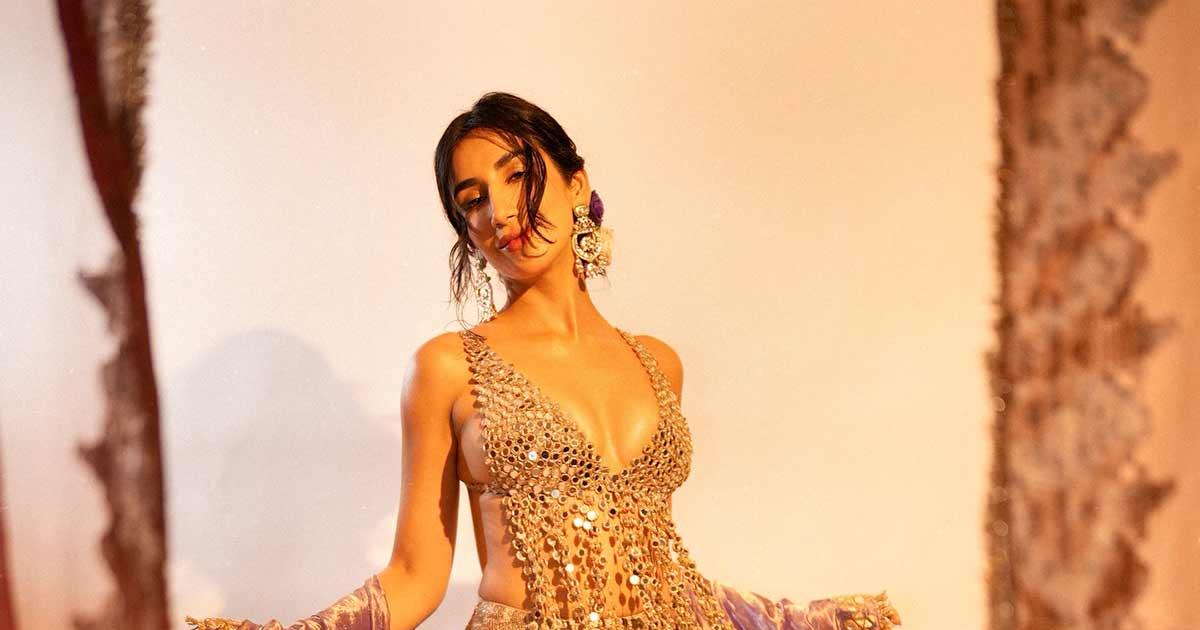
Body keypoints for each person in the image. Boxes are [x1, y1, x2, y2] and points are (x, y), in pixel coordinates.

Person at [185, 92, 902, 630]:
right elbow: (414, 577)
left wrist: (794, 619)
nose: (499, 211)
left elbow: (660, 569)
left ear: (576, 185)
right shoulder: (447, 369)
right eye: (472, 200)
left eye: (517, 175)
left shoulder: (659, 364)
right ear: (467, 233)